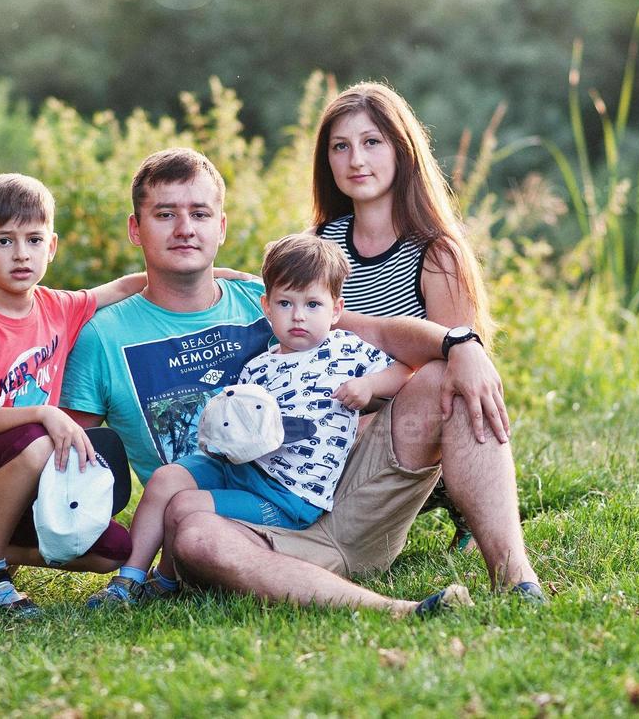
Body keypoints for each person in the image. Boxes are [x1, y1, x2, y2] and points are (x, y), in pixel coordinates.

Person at [62, 148, 538, 615]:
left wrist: (461, 343)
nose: (185, 228)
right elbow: (73, 461)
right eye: (165, 214)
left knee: (442, 376)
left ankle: (517, 580)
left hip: (345, 498)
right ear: (135, 228)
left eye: (200, 213)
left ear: (220, 227)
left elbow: (379, 332)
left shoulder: (269, 298)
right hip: (238, 530)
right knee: (194, 531)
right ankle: (400, 610)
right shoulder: (103, 337)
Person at [85, 233, 460, 613]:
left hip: (287, 497)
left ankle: (164, 582)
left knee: (185, 507)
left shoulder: (345, 349)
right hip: (244, 469)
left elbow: (405, 370)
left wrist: (369, 385)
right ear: (266, 307)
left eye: (313, 304)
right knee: (168, 479)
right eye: (285, 303)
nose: (298, 316)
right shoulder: (257, 366)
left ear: (335, 310)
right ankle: (127, 582)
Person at [0, 173, 147, 616]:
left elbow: (123, 287)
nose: (21, 254)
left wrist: (219, 275)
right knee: (37, 441)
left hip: (27, 475)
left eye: (34, 239)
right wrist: (47, 413)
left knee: (115, 551)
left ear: (52, 246)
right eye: (4, 241)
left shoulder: (58, 307)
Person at [313, 81, 495, 552]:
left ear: (402, 151)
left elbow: (455, 366)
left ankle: (462, 502)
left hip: (407, 420)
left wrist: (370, 413)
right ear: (327, 160)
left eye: (372, 142)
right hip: (333, 413)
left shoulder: (436, 253)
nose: (356, 160)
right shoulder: (317, 245)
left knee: (439, 371)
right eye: (341, 146)